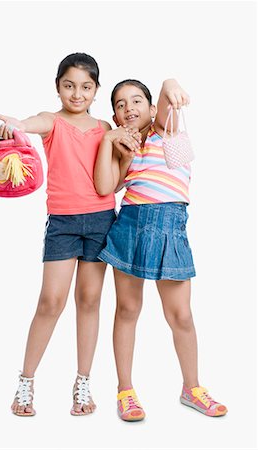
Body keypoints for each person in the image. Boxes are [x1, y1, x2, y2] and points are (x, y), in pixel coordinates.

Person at [0, 53, 138, 417]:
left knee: (89, 301)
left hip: (102, 220)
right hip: (63, 223)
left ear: (96, 90)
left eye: (86, 87)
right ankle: (26, 381)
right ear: (58, 87)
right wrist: (17, 125)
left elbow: (115, 183)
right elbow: (34, 122)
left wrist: (125, 150)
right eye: (69, 85)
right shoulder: (53, 121)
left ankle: (82, 383)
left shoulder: (105, 126)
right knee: (50, 302)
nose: (77, 93)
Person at [94, 78, 228, 421]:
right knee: (127, 310)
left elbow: (168, 96)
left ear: (153, 109)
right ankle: (125, 390)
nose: (129, 109)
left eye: (137, 101)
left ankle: (192, 387)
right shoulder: (127, 148)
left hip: (170, 229)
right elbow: (107, 187)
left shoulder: (166, 132)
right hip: (130, 228)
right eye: (121, 105)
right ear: (114, 115)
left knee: (181, 315)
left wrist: (170, 84)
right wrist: (118, 149)